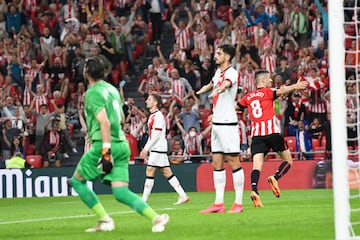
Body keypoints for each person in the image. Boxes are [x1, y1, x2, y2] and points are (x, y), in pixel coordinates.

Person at [69, 57, 169, 233]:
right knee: (121, 192)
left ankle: (105, 220)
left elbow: (105, 123)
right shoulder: (112, 90)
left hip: (104, 144)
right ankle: (156, 218)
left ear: (86, 73)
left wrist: (106, 153)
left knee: (77, 181)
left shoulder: (92, 93)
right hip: (122, 144)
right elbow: (121, 118)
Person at [237, 69, 308, 207]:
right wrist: (295, 86)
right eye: (269, 79)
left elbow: (237, 106)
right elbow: (282, 91)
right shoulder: (267, 92)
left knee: (256, 166)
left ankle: (254, 191)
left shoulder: (248, 97)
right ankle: (275, 178)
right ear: (263, 80)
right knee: (288, 160)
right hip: (272, 133)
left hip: (257, 136)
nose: (271, 81)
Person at [196, 44, 245, 214]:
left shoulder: (232, 73)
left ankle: (238, 203)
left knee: (233, 161)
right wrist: (203, 90)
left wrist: (218, 89)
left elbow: (225, 85)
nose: (216, 55)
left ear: (228, 57)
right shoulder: (218, 72)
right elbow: (212, 84)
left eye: (219, 53)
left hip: (227, 123)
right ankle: (218, 203)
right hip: (216, 123)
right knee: (216, 162)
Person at [140, 93, 190, 205]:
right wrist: (147, 148)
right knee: (167, 172)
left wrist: (146, 148)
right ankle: (183, 195)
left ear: (155, 102)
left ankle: (144, 200)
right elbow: (152, 135)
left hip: (157, 148)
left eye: (149, 99)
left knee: (150, 171)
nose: (147, 101)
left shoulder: (157, 116)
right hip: (158, 148)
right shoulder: (153, 116)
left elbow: (156, 135)